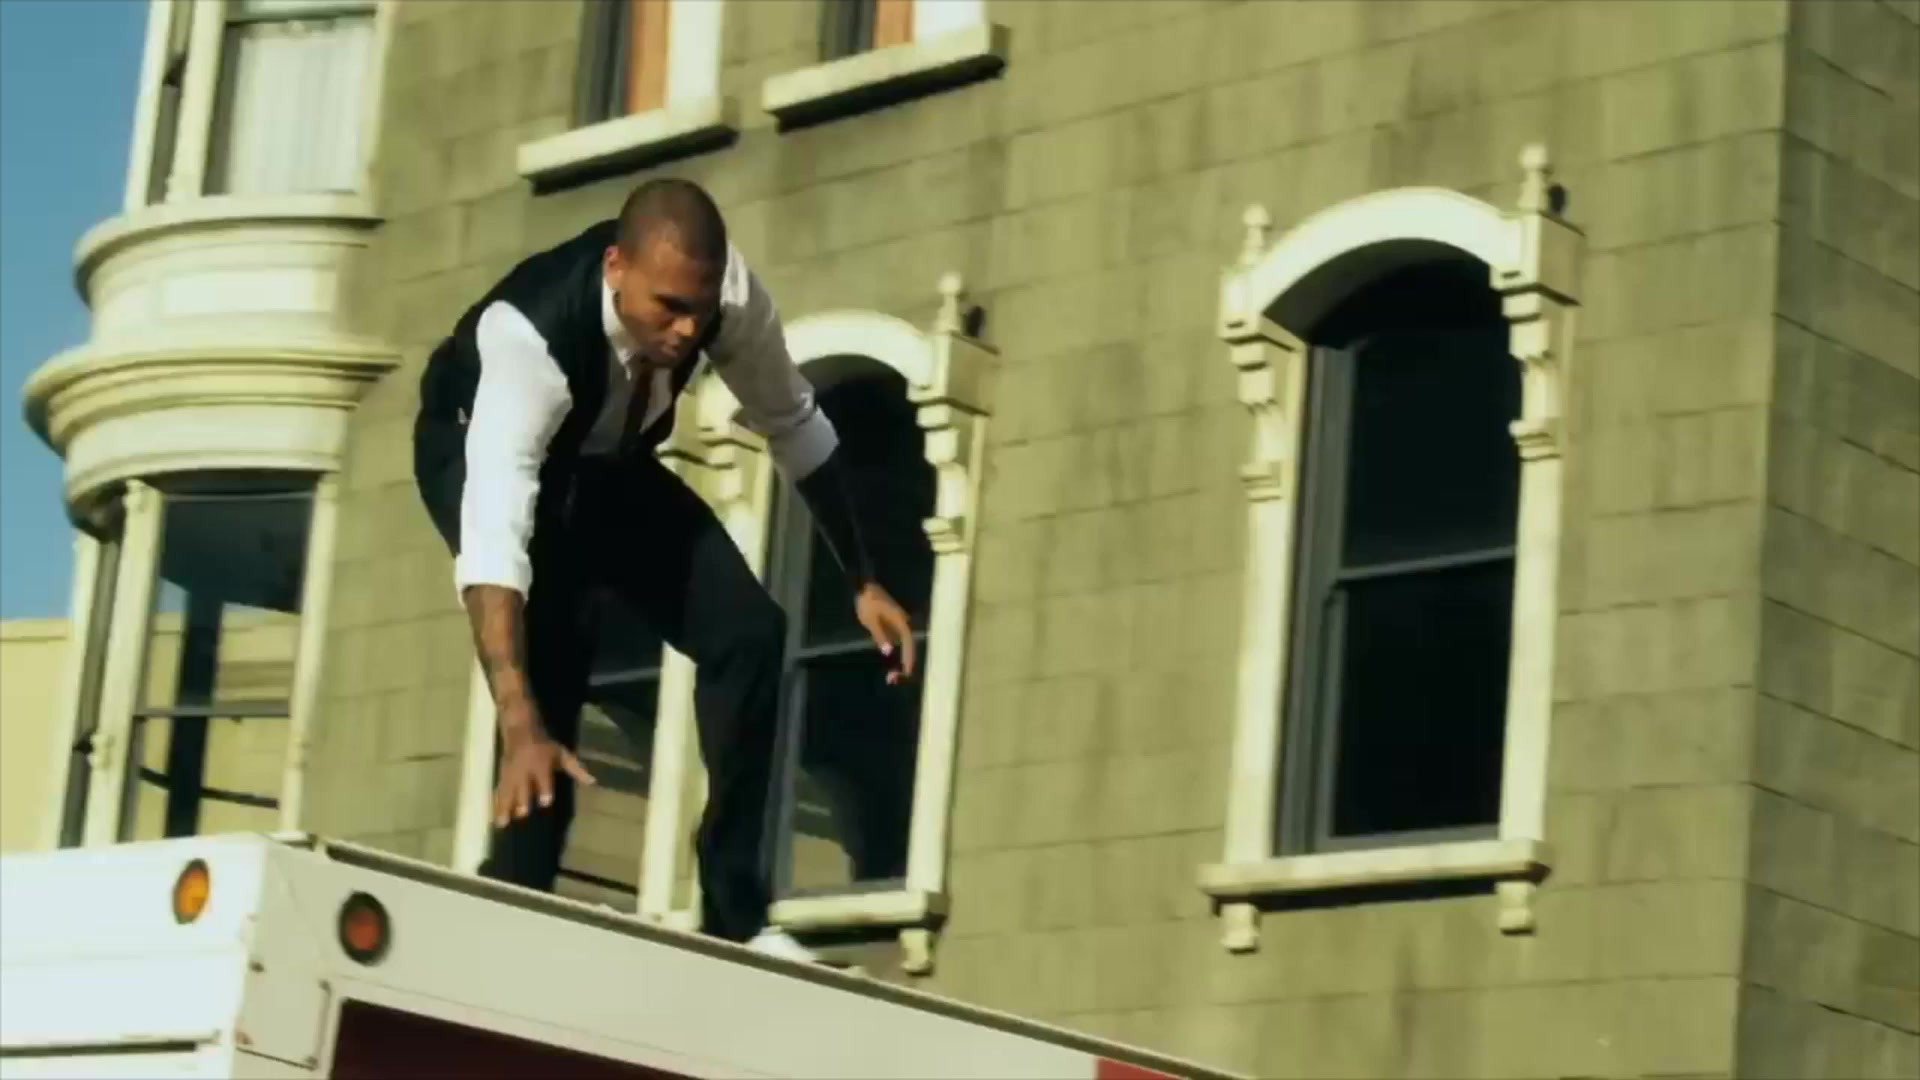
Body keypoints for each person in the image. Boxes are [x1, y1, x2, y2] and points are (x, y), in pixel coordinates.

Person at [411, 177, 918, 962]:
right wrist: (518, 719)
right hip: (472, 445)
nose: (686, 333)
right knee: (554, 646)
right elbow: (495, 543)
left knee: (749, 633)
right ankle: (515, 895)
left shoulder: (729, 297)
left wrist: (865, 580)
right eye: (668, 308)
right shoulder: (527, 344)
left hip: (607, 466)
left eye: (699, 312)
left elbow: (794, 422)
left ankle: (735, 912)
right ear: (616, 267)